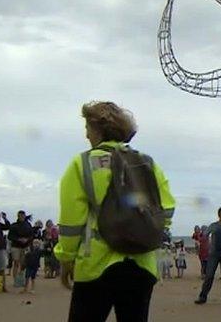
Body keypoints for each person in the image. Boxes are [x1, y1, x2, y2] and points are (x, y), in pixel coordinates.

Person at [55, 101, 176, 322]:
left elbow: (71, 223)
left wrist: (66, 259)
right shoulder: (147, 163)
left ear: (97, 129)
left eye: (87, 128)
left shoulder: (81, 164)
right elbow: (166, 210)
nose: (86, 135)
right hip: (142, 264)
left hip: (96, 264)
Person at [195, 206, 221, 304]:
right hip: (214, 254)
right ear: (220, 215)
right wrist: (202, 241)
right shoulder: (214, 226)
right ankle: (203, 297)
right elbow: (204, 235)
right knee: (209, 275)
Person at [8, 210, 33, 287]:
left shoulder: (28, 225)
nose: (21, 217)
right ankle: (15, 280)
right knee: (16, 262)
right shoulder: (13, 225)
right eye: (20, 216)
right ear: (18, 216)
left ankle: (21, 280)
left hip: (25, 246)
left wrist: (27, 240)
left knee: (23, 264)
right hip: (16, 246)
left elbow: (31, 236)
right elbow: (10, 236)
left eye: (23, 216)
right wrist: (18, 239)